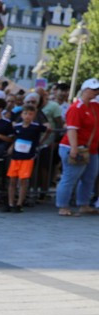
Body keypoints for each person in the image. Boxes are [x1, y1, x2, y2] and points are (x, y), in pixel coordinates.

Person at [56, 78, 99, 217]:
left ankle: (83, 204)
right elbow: (72, 129)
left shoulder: (93, 106)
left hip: (91, 149)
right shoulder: (76, 108)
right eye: (94, 89)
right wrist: (74, 148)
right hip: (75, 147)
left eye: (97, 90)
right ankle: (63, 206)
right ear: (85, 90)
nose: (96, 92)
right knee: (70, 177)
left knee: (89, 177)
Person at [5, 104, 44, 213]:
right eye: (26, 113)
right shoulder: (17, 127)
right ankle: (10, 203)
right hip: (16, 157)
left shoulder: (36, 127)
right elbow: (15, 138)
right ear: (22, 115)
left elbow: (48, 129)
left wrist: (40, 142)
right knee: (12, 180)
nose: (27, 116)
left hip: (27, 157)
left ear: (34, 115)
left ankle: (19, 203)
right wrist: (11, 147)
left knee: (23, 180)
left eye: (30, 114)